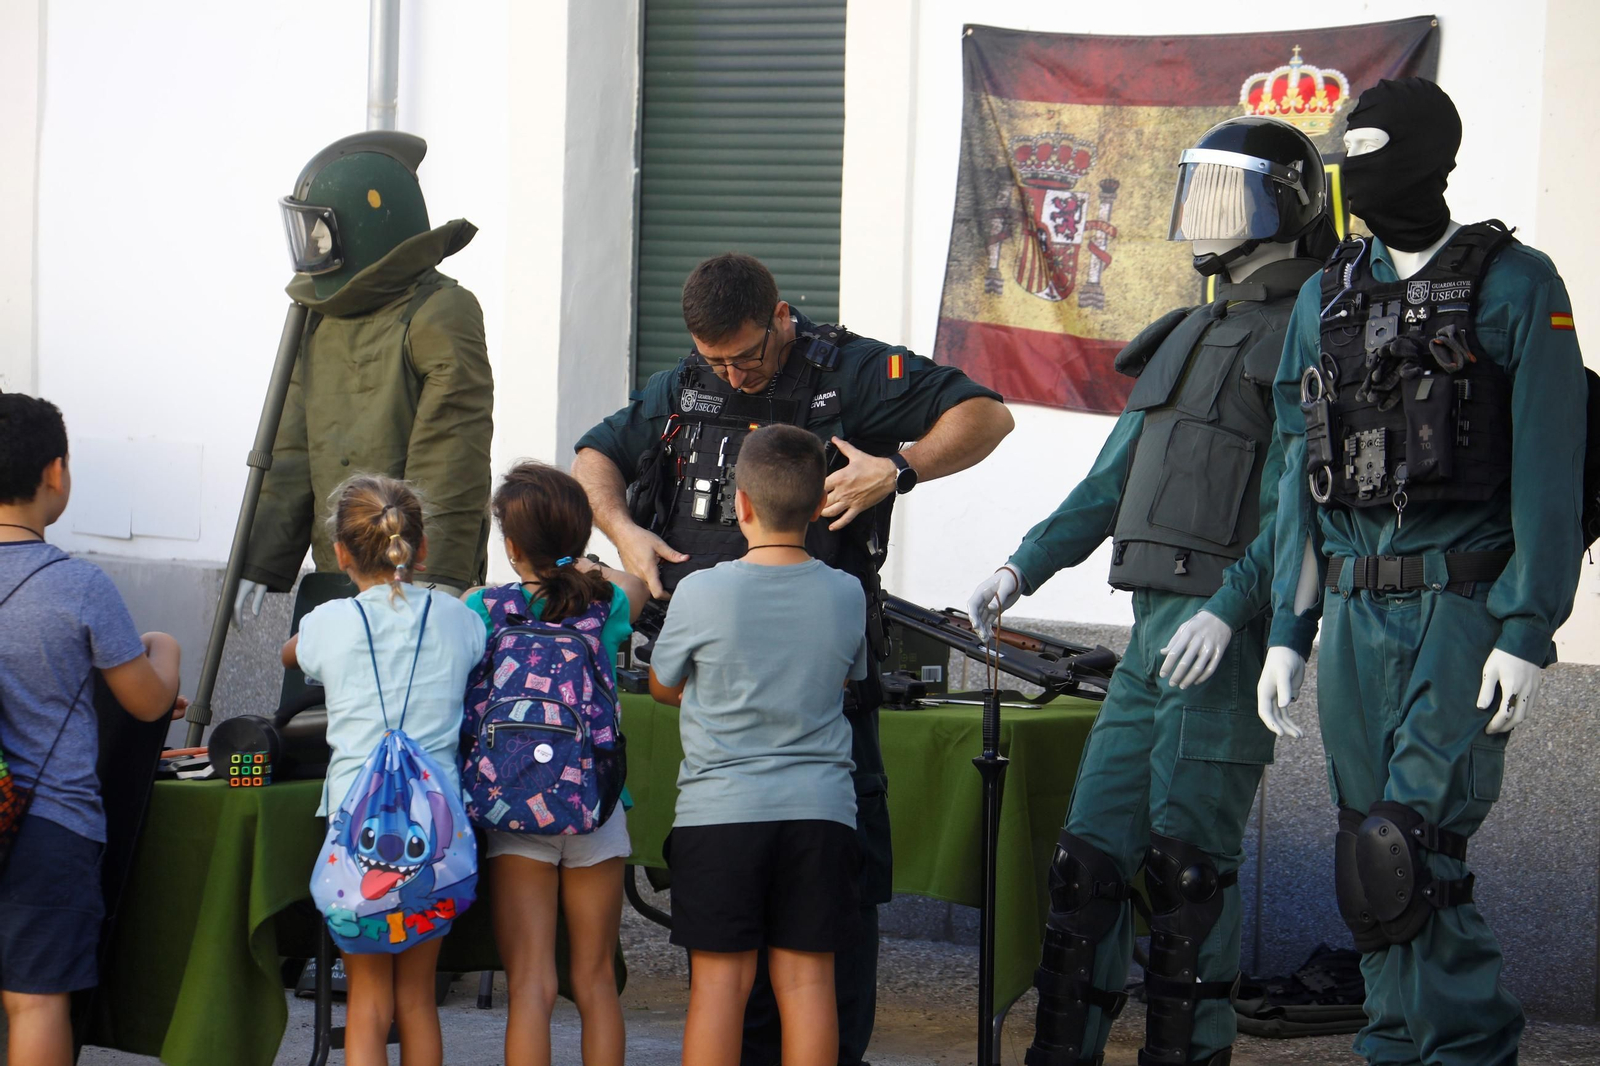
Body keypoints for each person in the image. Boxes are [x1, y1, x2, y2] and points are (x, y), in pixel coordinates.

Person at [572, 252, 1013, 1062]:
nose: (734, 377)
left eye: (747, 356)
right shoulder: (684, 386)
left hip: (822, 723)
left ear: (780, 318)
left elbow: (987, 415)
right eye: (716, 362)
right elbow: (594, 454)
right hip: (724, 736)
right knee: (733, 974)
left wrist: (900, 468)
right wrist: (626, 534)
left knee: (825, 948)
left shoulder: (853, 371)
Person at [967, 117, 1337, 1066]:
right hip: (1149, 638)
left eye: (1230, 192)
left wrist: (1243, 614)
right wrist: (1023, 565)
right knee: (1086, 867)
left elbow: (1302, 506)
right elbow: (1111, 479)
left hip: (1225, 636)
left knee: (1186, 876)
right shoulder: (1194, 330)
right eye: (1198, 190)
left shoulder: (1313, 325)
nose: (1203, 214)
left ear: (1286, 206)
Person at [1255, 78, 1586, 1065]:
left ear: (1433, 157)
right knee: (1370, 860)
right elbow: (1297, 479)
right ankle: (1393, 1046)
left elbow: (1549, 477)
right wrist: (1286, 627)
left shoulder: (1519, 284)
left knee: (1414, 853)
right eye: (1341, 150)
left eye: (1373, 148)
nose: (1351, 171)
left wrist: (1527, 629)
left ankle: (1467, 1048)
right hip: (1353, 613)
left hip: (1461, 604)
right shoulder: (1326, 296)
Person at [647, 424, 869, 1066]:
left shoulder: (702, 590)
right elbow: (847, 675)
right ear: (818, 506)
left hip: (720, 814)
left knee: (719, 988)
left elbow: (663, 685)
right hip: (820, 812)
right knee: (807, 984)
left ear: (739, 503)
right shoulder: (845, 592)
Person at [235, 131, 494, 625]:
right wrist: (260, 557)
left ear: (368, 223)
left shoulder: (440, 310)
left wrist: (435, 573)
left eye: (321, 232)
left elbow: (453, 450)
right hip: (340, 562)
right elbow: (287, 444)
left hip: (415, 570)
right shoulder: (315, 315)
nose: (312, 248)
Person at [0, 393, 185, 1066]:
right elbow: (144, 702)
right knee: (35, 999)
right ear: (55, 472)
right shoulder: (77, 585)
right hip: (46, 826)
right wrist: (162, 646)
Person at [281, 474, 485, 1066]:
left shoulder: (329, 622)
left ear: (342, 554)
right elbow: (477, 639)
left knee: (368, 999)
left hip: (355, 830)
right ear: (420, 549)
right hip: (438, 835)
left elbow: (290, 652)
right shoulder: (457, 619)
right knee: (418, 997)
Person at [462, 462, 646, 1066]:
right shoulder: (609, 602)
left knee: (531, 987)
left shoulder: (484, 606)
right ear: (579, 534)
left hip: (515, 806)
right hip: (597, 806)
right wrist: (579, 561)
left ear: (509, 544)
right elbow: (634, 577)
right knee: (594, 981)